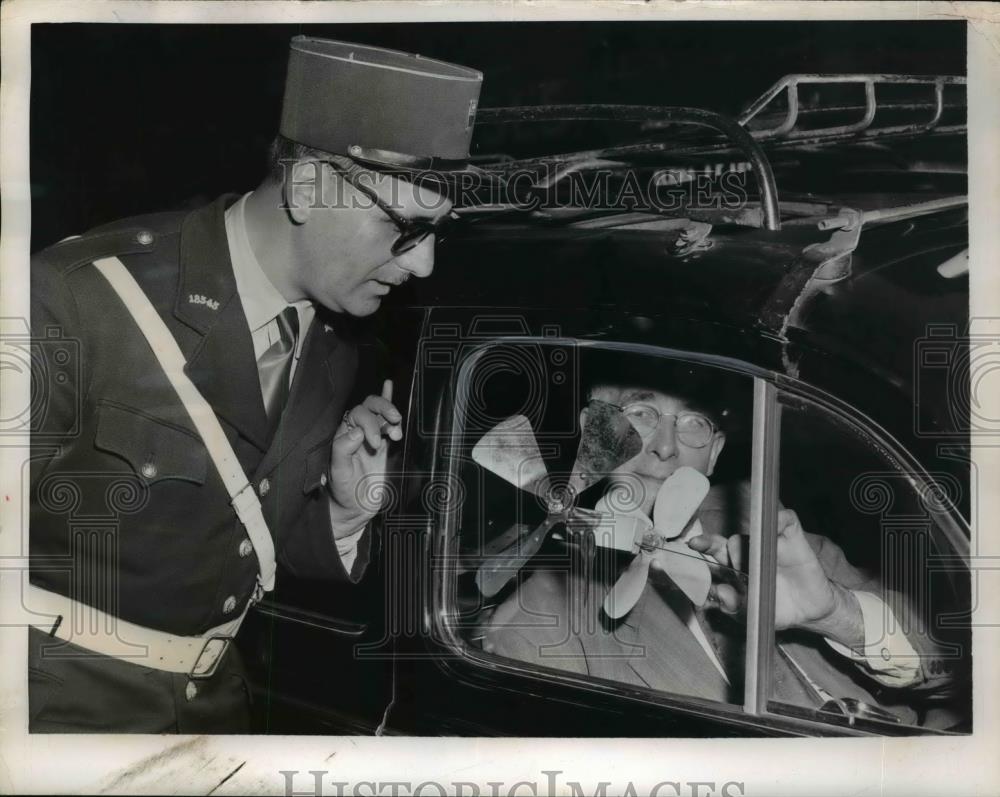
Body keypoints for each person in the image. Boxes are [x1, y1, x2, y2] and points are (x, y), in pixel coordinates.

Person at [28, 37, 492, 733]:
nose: (423, 264)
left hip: (216, 713)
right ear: (306, 187)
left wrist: (341, 505)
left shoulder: (337, 338)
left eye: (436, 234)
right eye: (404, 228)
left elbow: (232, 541)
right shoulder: (78, 300)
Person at [480, 366, 963, 727]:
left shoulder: (780, 537)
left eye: (692, 423)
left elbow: (954, 668)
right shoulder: (541, 617)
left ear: (714, 452)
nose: (666, 447)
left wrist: (835, 616)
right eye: (641, 413)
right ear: (593, 432)